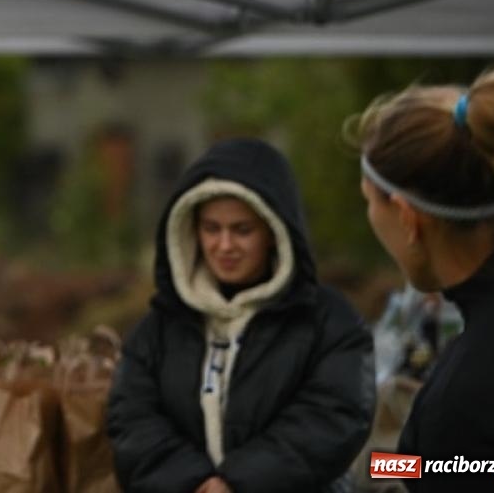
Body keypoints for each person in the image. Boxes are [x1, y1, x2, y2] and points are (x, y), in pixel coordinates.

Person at [106, 137, 374, 493]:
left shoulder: (330, 323)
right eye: (211, 228)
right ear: (190, 230)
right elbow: (132, 421)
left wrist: (239, 483)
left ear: (274, 232)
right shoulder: (157, 330)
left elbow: (332, 418)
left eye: (242, 230)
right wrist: (196, 483)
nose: (225, 246)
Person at [355, 63, 494, 490]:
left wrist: (381, 464)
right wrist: (388, 463)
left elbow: (471, 466)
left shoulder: (465, 397)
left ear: (406, 217)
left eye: (369, 203)